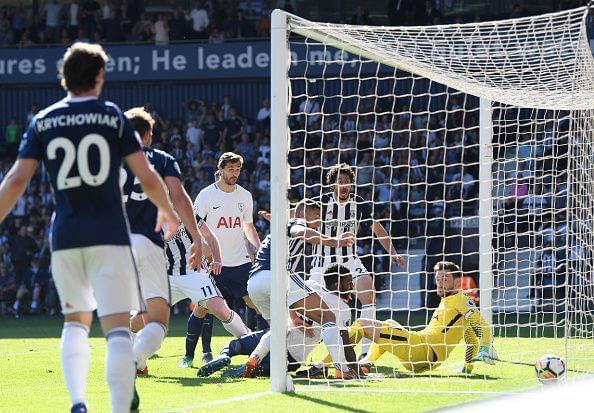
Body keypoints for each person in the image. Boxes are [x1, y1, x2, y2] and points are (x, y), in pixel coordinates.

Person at [0, 43, 178, 413]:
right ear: (99, 77)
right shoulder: (112, 116)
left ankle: (78, 402)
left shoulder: (43, 119)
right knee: (116, 328)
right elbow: (145, 174)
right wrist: (167, 211)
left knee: (74, 322)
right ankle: (117, 408)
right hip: (109, 235)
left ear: (64, 77)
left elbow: (17, 180)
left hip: (65, 236)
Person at [121, 107, 202, 377]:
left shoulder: (105, 159)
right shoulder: (162, 159)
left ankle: (136, 365)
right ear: (148, 135)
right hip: (146, 241)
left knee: (129, 310)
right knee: (158, 319)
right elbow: (179, 198)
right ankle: (133, 362)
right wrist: (197, 238)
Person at [247, 200, 359, 379]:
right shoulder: (298, 222)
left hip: (254, 283)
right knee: (328, 317)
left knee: (278, 329)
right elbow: (299, 230)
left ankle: (255, 358)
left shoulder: (280, 227)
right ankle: (341, 369)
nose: (318, 222)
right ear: (303, 213)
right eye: (316, 217)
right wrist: (335, 242)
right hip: (276, 275)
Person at [310, 163, 405, 359]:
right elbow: (299, 216)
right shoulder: (321, 203)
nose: (344, 186)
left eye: (347, 182)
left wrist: (392, 253)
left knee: (369, 293)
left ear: (352, 184)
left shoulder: (359, 204)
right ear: (332, 185)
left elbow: (378, 230)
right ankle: (296, 350)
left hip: (350, 261)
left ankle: (364, 354)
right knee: (313, 309)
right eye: (340, 182)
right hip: (322, 264)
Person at [198, 264, 354, 378]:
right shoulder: (343, 310)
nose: (352, 286)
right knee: (262, 370)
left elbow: (291, 298)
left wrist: (294, 318)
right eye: (349, 283)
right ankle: (247, 368)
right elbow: (345, 344)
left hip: (277, 333)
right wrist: (354, 368)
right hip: (293, 356)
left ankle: (225, 356)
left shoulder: (312, 286)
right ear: (337, 284)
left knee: (236, 345)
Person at [180, 152, 261, 368]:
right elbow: (194, 226)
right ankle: (195, 354)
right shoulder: (206, 196)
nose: (235, 173)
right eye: (231, 169)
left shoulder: (245, 195)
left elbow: (248, 226)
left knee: (255, 302)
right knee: (203, 308)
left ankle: (258, 347)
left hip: (240, 262)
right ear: (221, 169)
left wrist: (259, 247)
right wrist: (204, 252)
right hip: (213, 264)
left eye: (238, 170)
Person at [347, 261, 496, 374]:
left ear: (457, 281)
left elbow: (482, 324)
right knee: (389, 323)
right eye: (438, 279)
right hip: (425, 358)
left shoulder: (461, 300)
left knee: (363, 323)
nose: (440, 283)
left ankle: (337, 362)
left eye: (445, 279)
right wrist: (467, 368)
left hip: (421, 350)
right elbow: (470, 340)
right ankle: (366, 363)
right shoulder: (451, 304)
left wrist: (484, 346)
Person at [165, 218, 250, 367]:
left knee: (214, 309)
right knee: (144, 318)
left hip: (197, 273)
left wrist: (216, 259)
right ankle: (138, 360)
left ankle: (251, 343)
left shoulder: (188, 213)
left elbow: (209, 240)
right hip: (169, 276)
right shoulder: (148, 217)